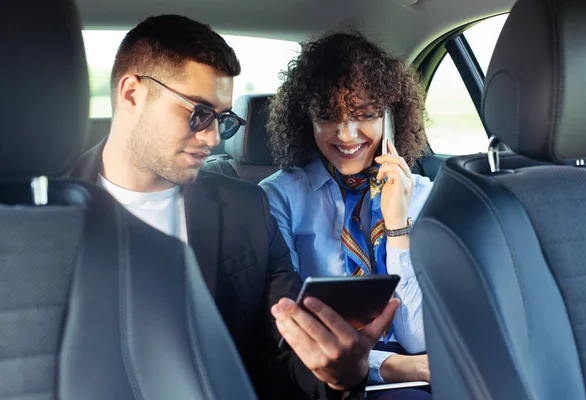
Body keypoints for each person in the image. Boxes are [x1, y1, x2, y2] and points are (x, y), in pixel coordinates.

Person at [70, 16, 399, 400]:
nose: (211, 137)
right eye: (198, 113)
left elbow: (288, 348)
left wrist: (340, 374)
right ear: (132, 94)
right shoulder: (34, 215)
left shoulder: (246, 210)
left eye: (221, 120)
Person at [259, 31, 434, 397]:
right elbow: (289, 330)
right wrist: (388, 366)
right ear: (304, 119)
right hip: (326, 384)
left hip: (420, 373)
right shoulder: (279, 197)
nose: (347, 134)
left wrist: (398, 226)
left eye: (365, 114)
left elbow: (418, 338)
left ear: (391, 115)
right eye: (327, 116)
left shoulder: (420, 192)